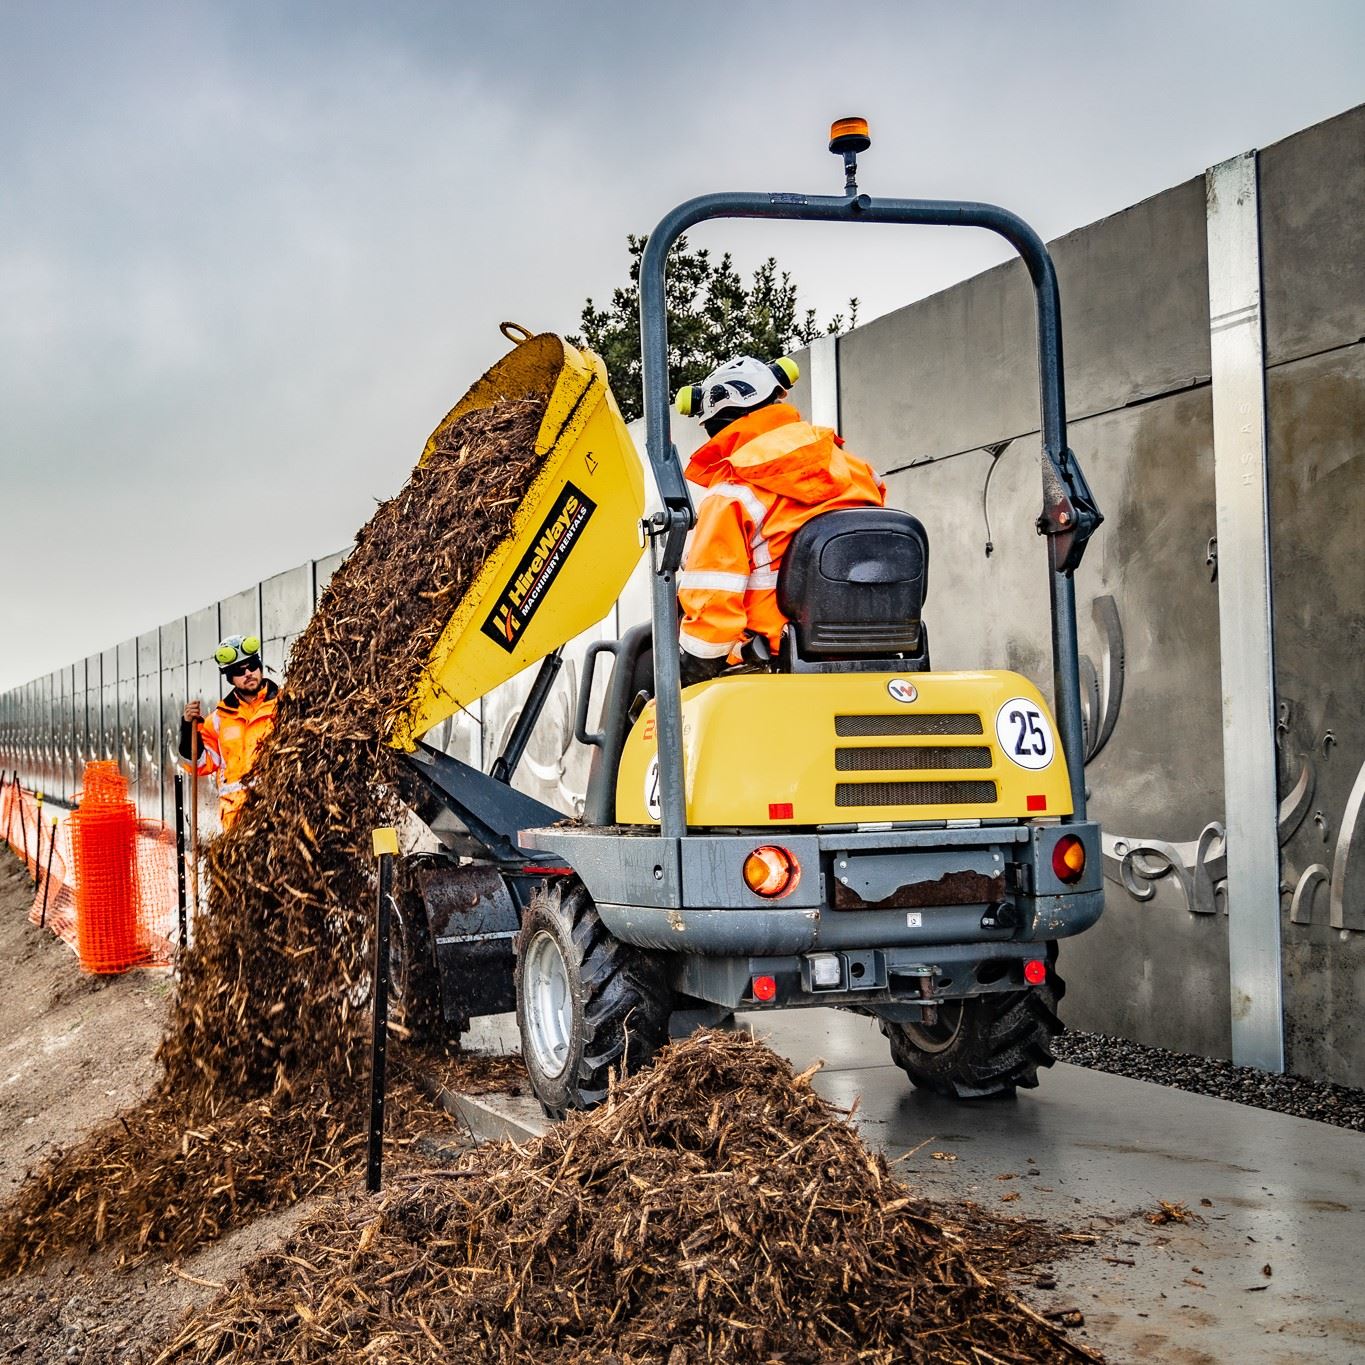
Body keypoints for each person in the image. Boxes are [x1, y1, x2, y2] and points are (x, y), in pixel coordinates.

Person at [673, 354, 886, 685]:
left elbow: (713, 615)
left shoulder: (730, 496)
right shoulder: (858, 471)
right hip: (877, 652)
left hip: (769, 667)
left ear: (716, 424)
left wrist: (685, 679)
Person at [180, 634, 280, 828]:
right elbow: (200, 765)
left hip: (278, 810)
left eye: (252, 666)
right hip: (237, 821)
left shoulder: (285, 705)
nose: (248, 673)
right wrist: (187, 728)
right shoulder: (218, 720)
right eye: (239, 671)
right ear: (230, 678)